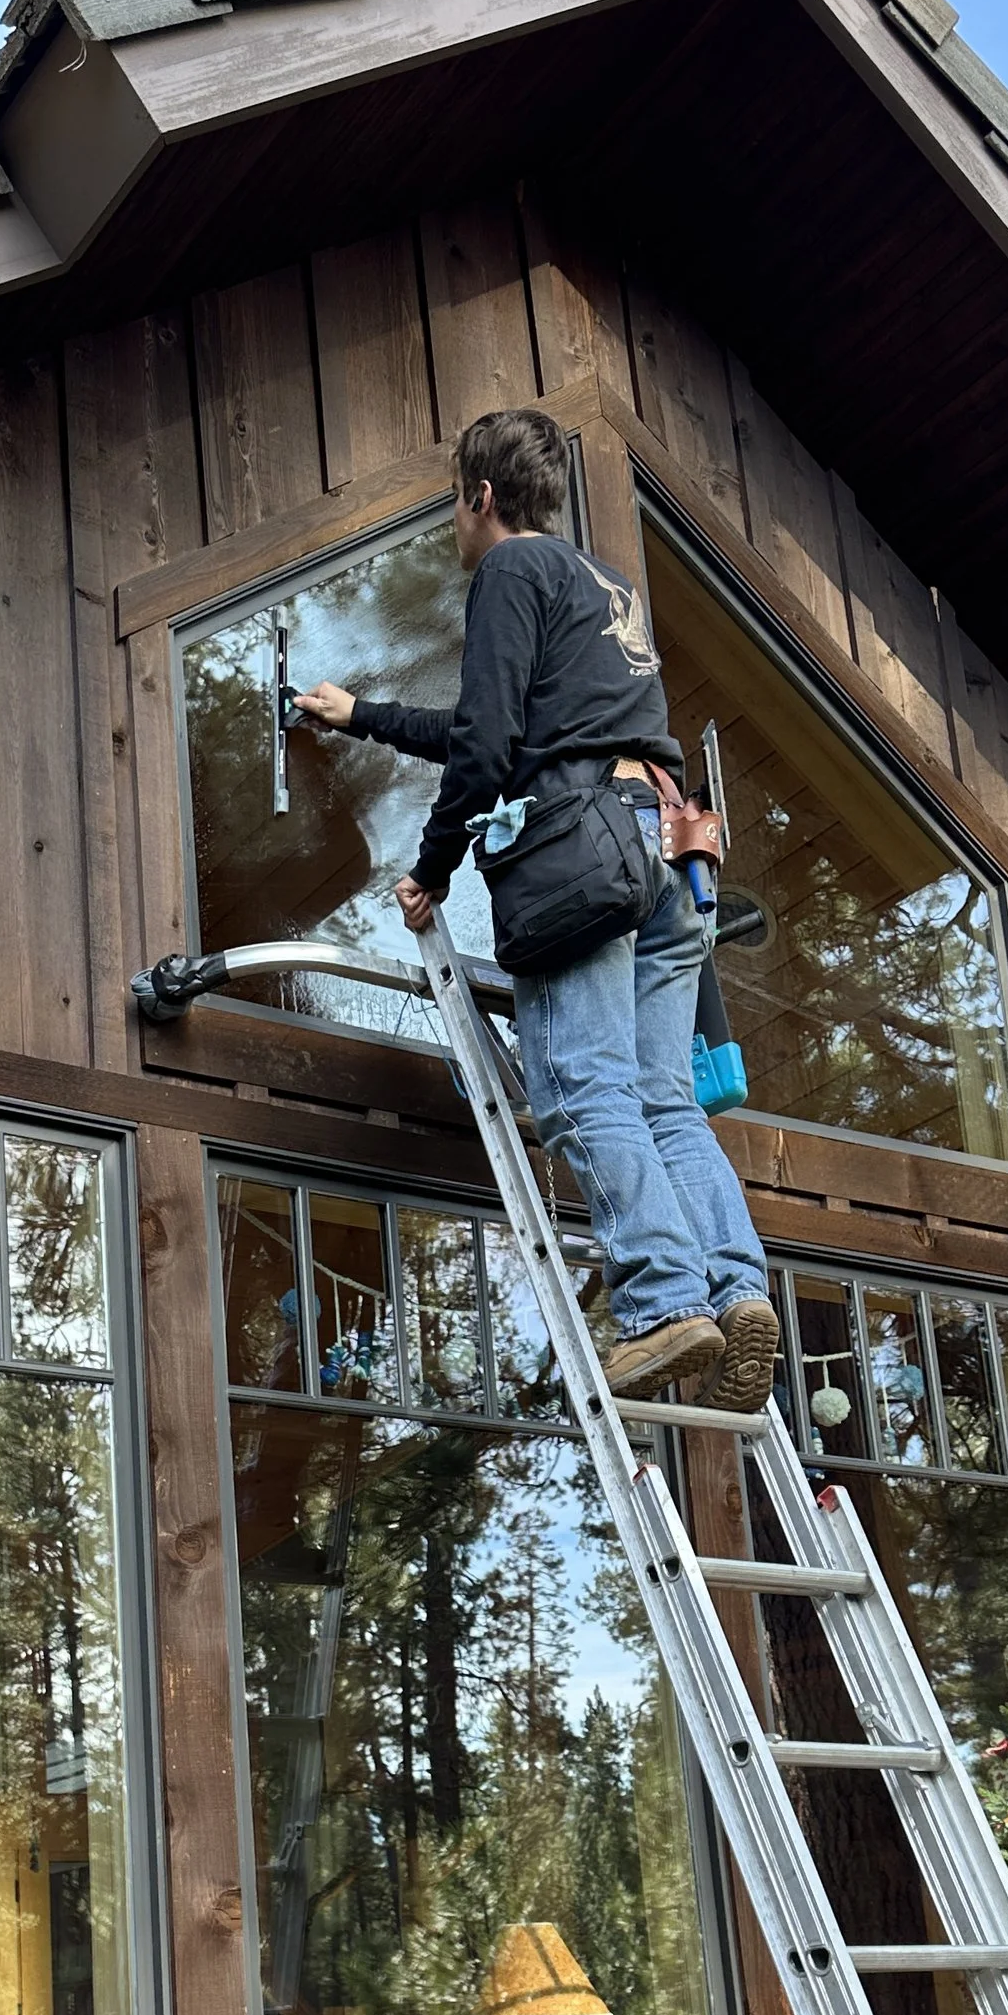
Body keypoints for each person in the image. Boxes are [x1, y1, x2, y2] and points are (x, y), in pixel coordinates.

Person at [292, 406, 777, 1411]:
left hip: (581, 854)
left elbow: (485, 748)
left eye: (452, 508)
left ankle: (658, 1301)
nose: (453, 530)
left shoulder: (509, 573)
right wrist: (365, 717)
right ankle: (733, 1293)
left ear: (477, 495)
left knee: (579, 1088)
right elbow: (501, 728)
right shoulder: (605, 587)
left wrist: (432, 868)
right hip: (663, 843)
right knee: (661, 1100)